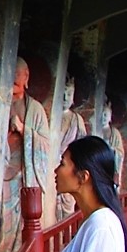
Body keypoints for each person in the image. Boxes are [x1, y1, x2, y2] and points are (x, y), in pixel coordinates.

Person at [0, 57, 49, 252]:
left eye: (18, 74)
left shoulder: (34, 109)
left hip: (21, 177)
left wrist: (24, 130)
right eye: (10, 73)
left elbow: (45, 144)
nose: (14, 78)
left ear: (26, 77)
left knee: (15, 229)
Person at [56, 76, 87, 220]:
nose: (65, 97)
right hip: (53, 167)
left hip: (69, 169)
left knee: (66, 208)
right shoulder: (52, 117)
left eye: (69, 93)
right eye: (62, 92)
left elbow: (82, 148)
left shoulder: (76, 120)